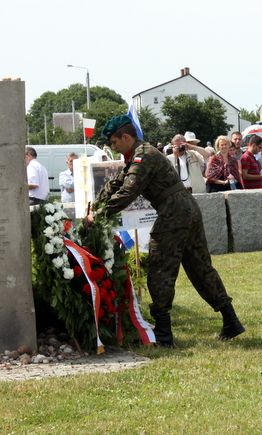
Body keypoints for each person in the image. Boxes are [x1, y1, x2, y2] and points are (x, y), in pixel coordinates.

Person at [83, 115, 245, 347]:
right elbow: (117, 183)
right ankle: (231, 320)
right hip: (185, 207)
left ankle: (164, 333)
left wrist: (97, 216)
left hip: (174, 211)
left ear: (126, 137)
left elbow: (128, 192)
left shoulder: (143, 156)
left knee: (161, 267)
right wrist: (96, 203)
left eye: (114, 142)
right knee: (200, 267)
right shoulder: (140, 153)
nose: (113, 147)